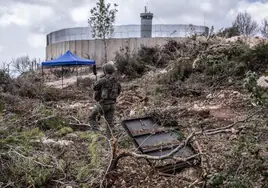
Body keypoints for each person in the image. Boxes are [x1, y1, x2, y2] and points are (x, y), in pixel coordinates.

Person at [89, 63, 121, 139]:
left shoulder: (103, 80)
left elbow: (94, 88)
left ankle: (98, 136)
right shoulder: (116, 81)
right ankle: (109, 142)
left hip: (103, 104)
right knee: (109, 124)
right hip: (112, 105)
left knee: (91, 118)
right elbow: (118, 92)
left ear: (105, 71)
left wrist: (95, 82)